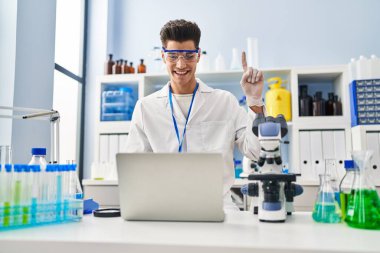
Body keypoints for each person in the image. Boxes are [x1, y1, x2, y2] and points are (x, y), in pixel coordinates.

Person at [126, 19, 264, 210]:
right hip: (164, 208)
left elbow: (257, 153)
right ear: (163, 56)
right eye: (173, 56)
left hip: (218, 208)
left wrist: (255, 101)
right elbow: (135, 170)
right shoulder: (145, 108)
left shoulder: (225, 102)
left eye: (189, 55)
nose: (181, 64)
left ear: (198, 55)